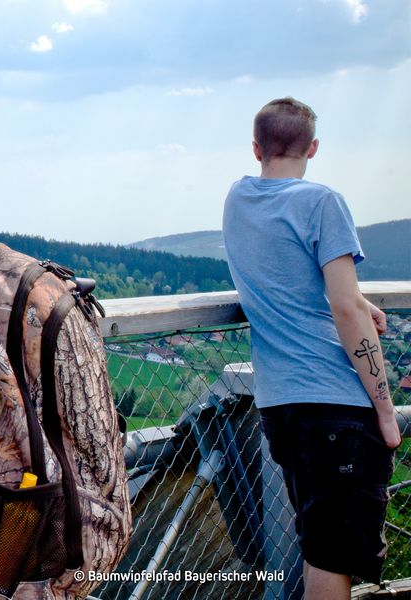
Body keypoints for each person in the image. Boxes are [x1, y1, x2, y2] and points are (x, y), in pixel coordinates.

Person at [222, 97, 403, 599]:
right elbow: (344, 308)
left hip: (280, 406)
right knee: (333, 557)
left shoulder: (238, 198)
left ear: (256, 148)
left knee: (318, 543)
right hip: (336, 405)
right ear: (314, 148)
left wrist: (359, 303)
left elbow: (293, 275)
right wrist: (385, 410)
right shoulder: (323, 203)